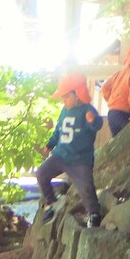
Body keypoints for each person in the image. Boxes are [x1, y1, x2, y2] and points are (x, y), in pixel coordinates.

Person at [37, 71, 104, 228]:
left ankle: (94, 213)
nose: (64, 100)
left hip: (80, 160)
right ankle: (51, 203)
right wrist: (50, 144)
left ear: (77, 94)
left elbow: (97, 125)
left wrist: (92, 120)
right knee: (41, 174)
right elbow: (59, 131)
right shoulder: (64, 111)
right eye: (63, 97)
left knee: (86, 187)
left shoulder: (87, 110)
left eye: (67, 96)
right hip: (61, 155)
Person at [100, 45, 130, 136]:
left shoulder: (118, 74)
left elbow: (105, 88)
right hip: (124, 113)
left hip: (112, 113)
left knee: (117, 139)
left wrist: (111, 101)